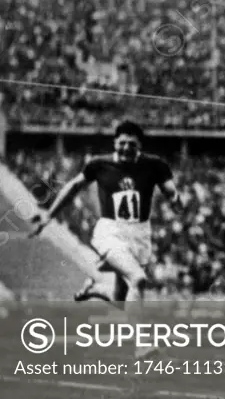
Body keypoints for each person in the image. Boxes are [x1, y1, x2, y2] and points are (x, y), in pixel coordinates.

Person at [30, 121, 182, 309]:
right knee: (138, 279)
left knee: (120, 299)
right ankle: (136, 338)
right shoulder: (100, 164)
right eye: (122, 143)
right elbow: (73, 186)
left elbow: (170, 190)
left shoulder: (154, 165)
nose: (126, 148)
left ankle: (96, 289)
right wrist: (49, 215)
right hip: (112, 231)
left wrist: (175, 199)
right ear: (115, 142)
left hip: (140, 234)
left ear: (140, 146)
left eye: (132, 144)